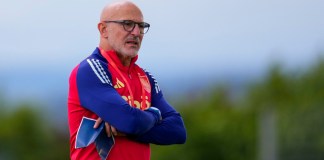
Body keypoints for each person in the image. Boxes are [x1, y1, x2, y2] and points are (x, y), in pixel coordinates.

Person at [67, 1, 187, 160]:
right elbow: (129, 121)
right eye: (127, 24)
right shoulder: (90, 70)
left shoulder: (145, 77)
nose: (136, 32)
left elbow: (177, 131)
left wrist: (131, 127)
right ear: (104, 30)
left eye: (141, 26)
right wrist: (154, 114)